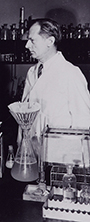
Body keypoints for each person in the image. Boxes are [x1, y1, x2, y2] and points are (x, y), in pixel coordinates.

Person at [18, 18, 90, 164]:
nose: (27, 45)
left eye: (32, 40)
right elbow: (24, 113)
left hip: (61, 156)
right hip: (32, 152)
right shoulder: (32, 72)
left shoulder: (70, 72)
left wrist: (75, 161)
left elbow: (83, 120)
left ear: (49, 41)